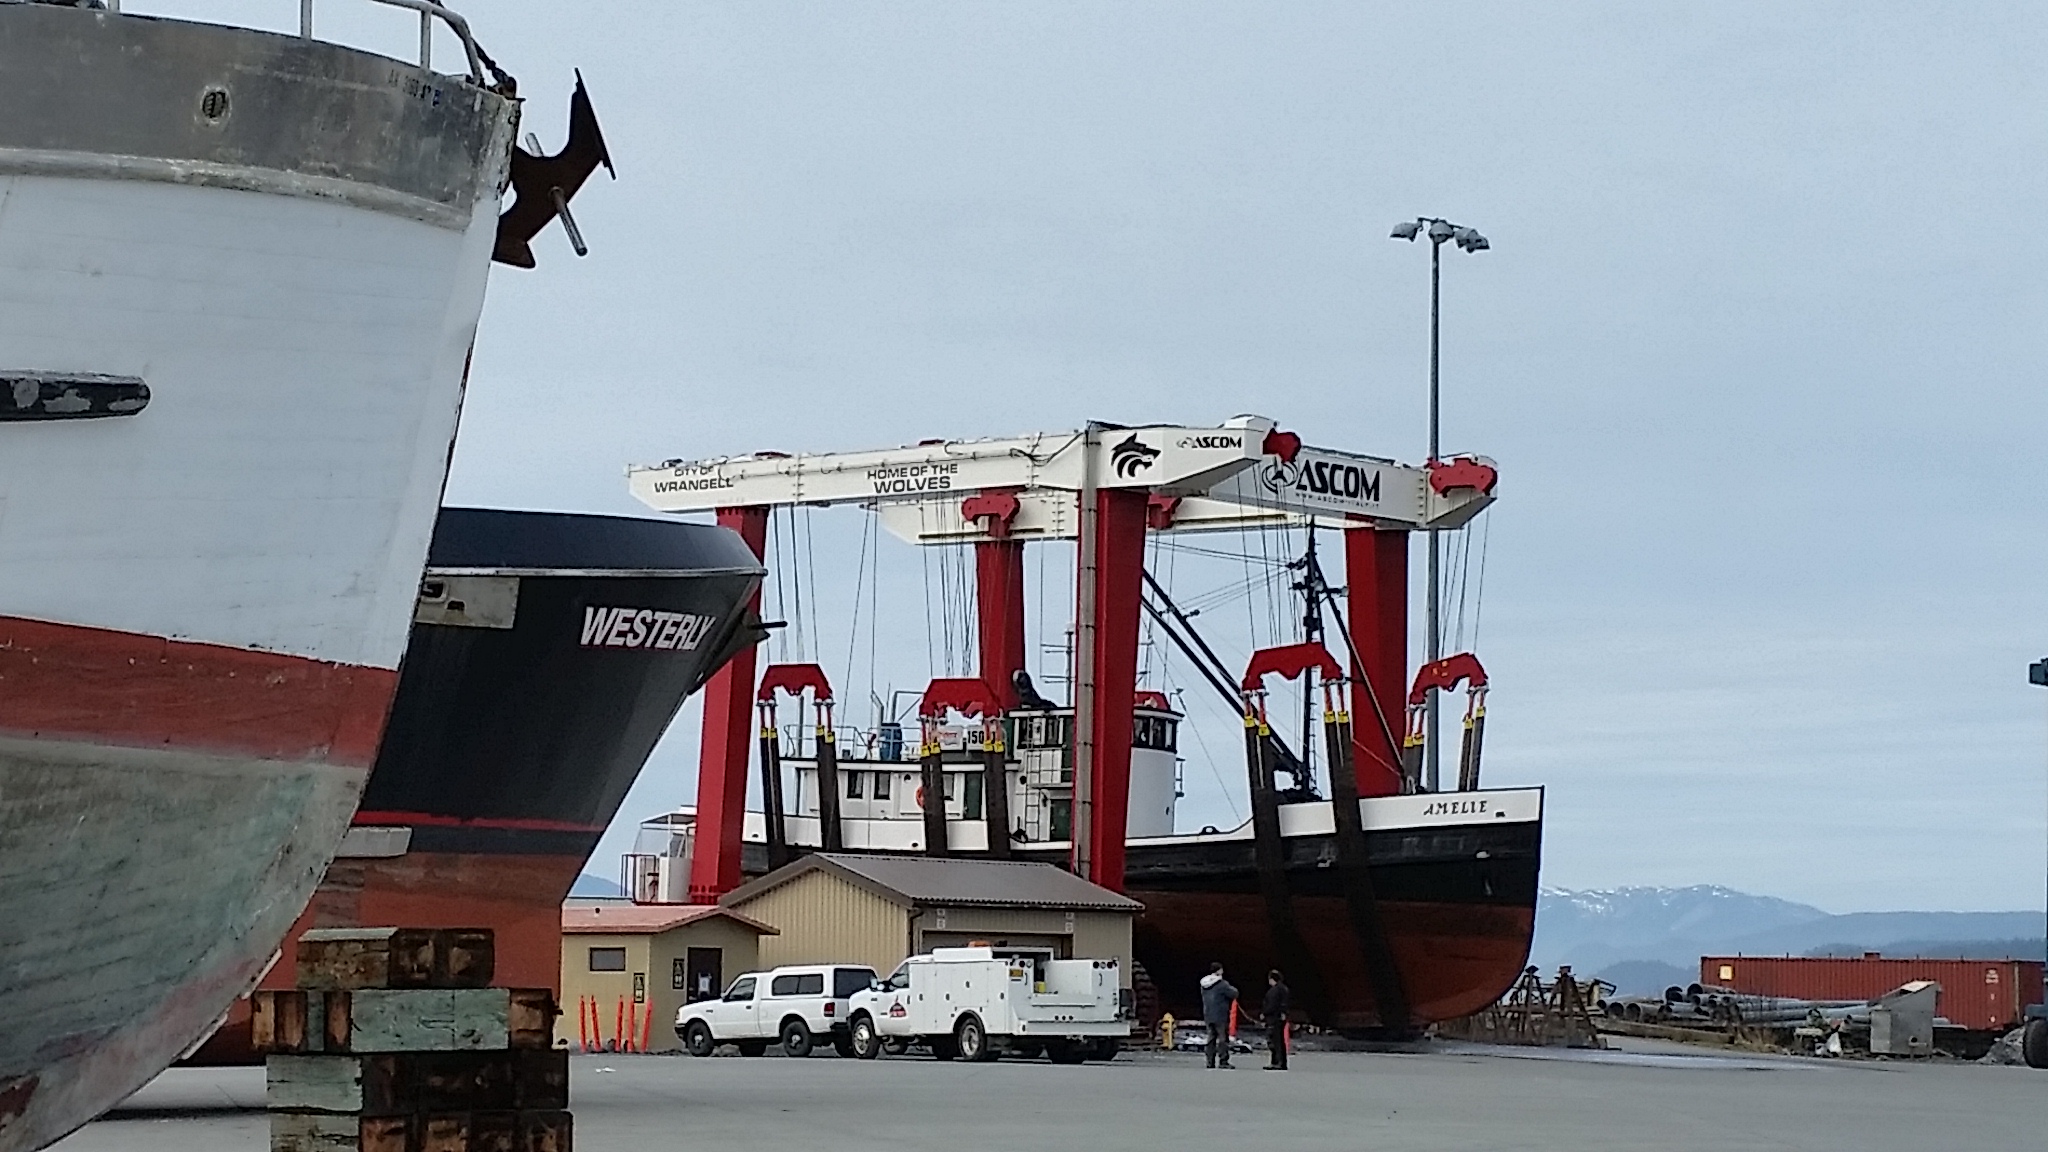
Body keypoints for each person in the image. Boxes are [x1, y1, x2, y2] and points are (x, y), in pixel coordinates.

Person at [1199, 962, 1238, 1069]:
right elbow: (1234, 993)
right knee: (1222, 1038)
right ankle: (1223, 1061)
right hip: (1220, 1015)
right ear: (1219, 971)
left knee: (1211, 1038)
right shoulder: (1222, 984)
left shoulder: (1203, 984)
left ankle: (1210, 1061)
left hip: (1208, 1014)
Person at [1262, 969, 1291, 1070]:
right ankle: (1281, 1062)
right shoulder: (1284, 989)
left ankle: (1277, 1061)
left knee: (1274, 1040)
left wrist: (1264, 1013)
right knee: (1280, 1041)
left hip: (1273, 1018)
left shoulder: (1274, 991)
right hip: (1280, 1018)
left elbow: (1272, 1005)